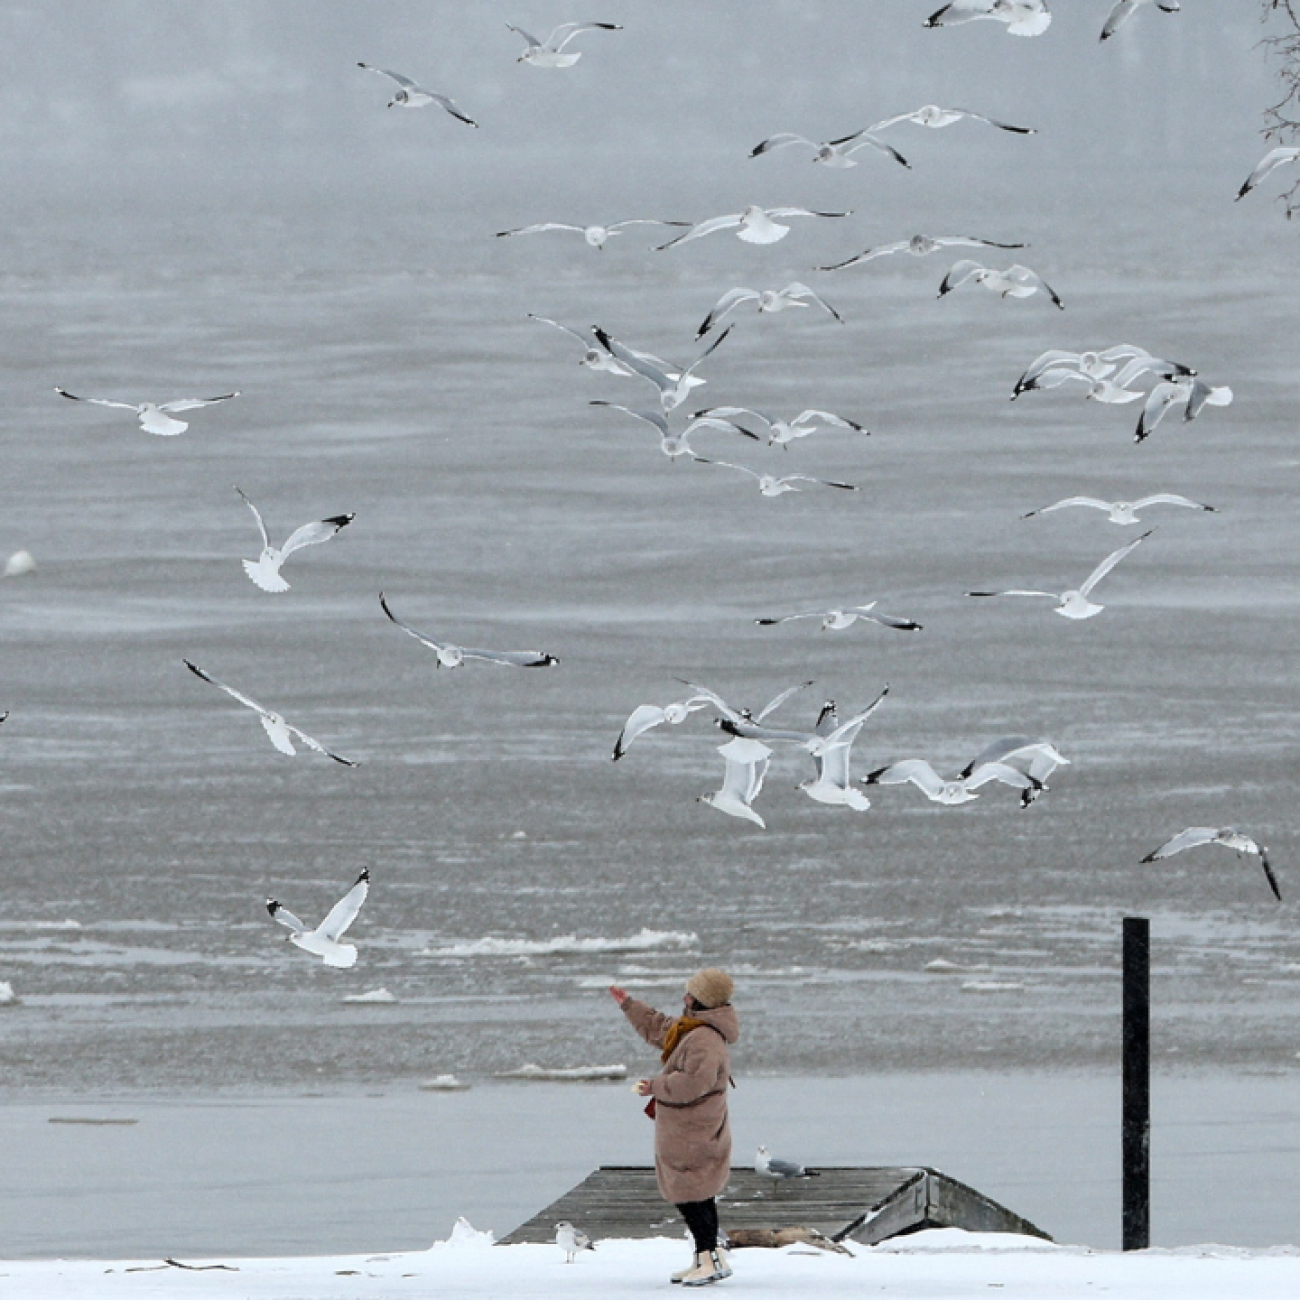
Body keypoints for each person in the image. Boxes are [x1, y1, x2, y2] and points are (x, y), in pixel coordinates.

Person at [610, 968, 738, 1287]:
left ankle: (707, 1257)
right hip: (687, 1128)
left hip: (694, 1130)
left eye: (690, 994)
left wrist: (655, 1086)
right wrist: (629, 1004)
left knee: (691, 1193)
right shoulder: (692, 1028)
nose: (684, 998)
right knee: (695, 1193)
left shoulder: (705, 1039)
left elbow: (694, 1083)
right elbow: (660, 1028)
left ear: (703, 1001)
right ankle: (707, 1257)